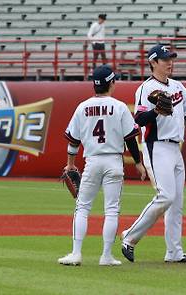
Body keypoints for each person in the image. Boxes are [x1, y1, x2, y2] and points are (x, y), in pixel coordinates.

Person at [121, 44, 186, 263]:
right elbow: (138, 120)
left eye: (171, 58)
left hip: (175, 147)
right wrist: (155, 111)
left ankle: (174, 253)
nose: (170, 62)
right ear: (153, 63)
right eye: (165, 59)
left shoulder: (178, 86)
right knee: (166, 196)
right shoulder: (146, 88)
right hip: (156, 146)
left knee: (176, 203)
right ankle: (130, 237)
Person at [58, 65, 147, 266]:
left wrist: (70, 164)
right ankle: (106, 256)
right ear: (112, 83)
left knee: (82, 207)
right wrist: (139, 163)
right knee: (112, 210)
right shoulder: (120, 106)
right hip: (114, 161)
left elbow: (73, 141)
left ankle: (76, 253)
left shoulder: (82, 107)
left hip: (93, 160)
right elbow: (131, 138)